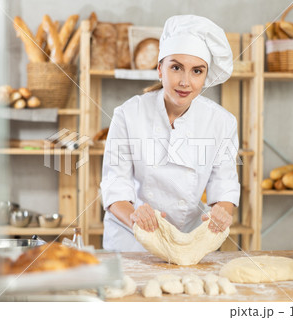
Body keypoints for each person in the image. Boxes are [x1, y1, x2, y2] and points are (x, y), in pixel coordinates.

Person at [100, 15, 240, 252]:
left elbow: (224, 187)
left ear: (205, 76)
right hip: (132, 239)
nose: (185, 81)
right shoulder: (128, 114)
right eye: (176, 67)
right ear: (159, 69)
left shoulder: (222, 122)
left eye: (197, 71)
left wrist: (221, 214)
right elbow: (115, 185)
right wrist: (135, 216)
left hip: (190, 240)